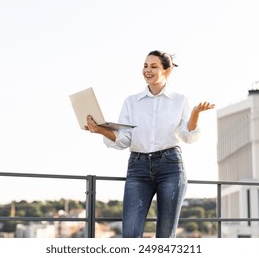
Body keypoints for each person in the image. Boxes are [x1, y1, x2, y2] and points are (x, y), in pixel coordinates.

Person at [86, 50, 215, 238]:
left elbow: (187, 136)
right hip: (138, 167)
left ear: (167, 71)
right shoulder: (131, 102)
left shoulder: (179, 101)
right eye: (145, 66)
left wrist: (194, 114)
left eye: (154, 66)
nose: (147, 70)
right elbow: (125, 139)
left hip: (170, 166)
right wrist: (99, 130)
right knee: (130, 234)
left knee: (165, 235)